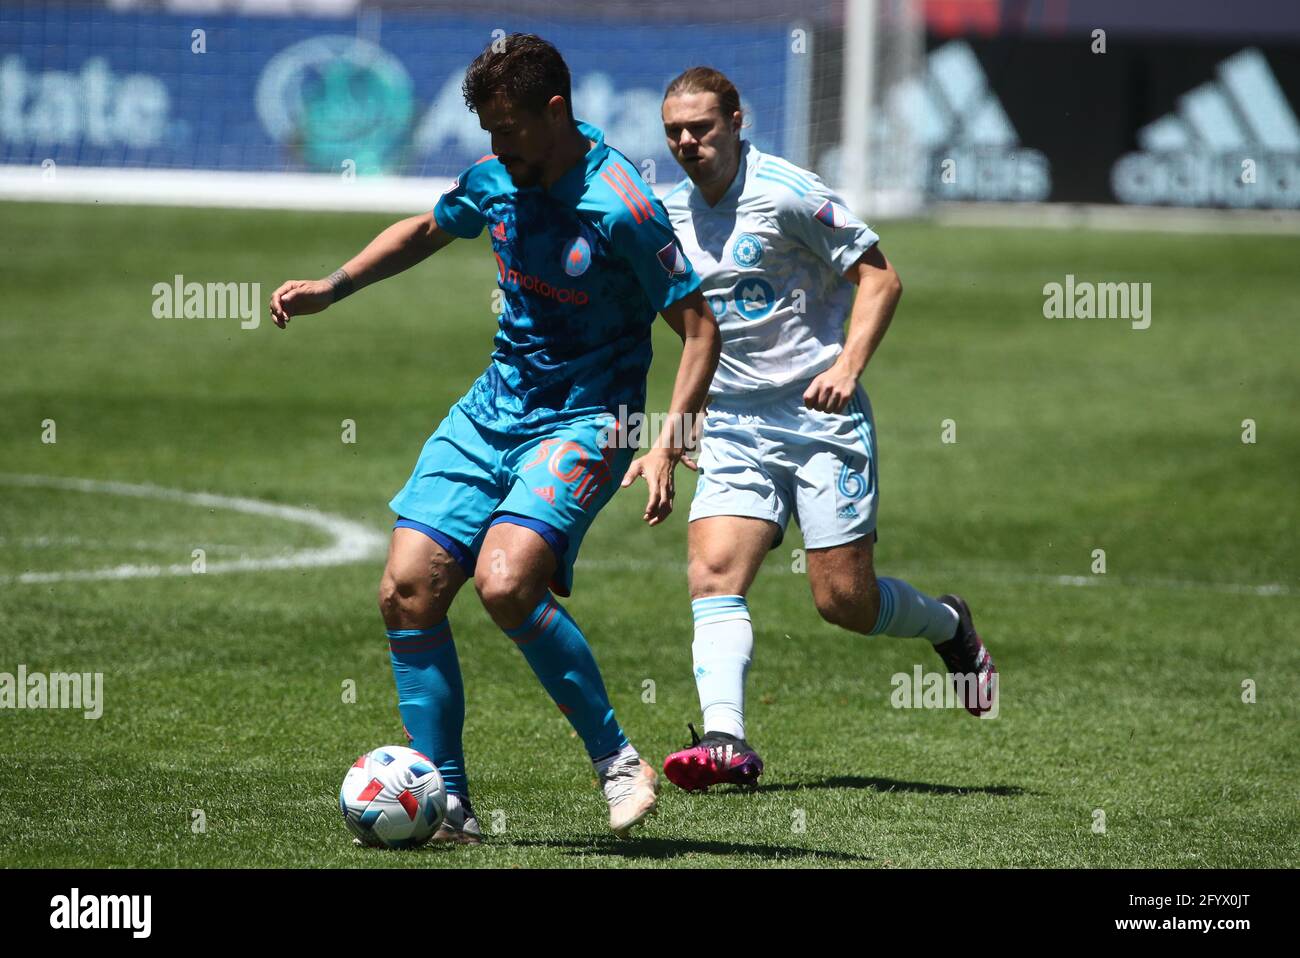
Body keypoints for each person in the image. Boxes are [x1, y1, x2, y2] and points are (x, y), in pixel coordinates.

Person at [269, 36, 720, 837]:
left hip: (589, 419)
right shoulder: (497, 180)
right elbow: (427, 228)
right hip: (491, 412)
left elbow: (698, 327)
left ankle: (618, 760)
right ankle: (446, 806)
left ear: (554, 113)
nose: (494, 147)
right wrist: (332, 289)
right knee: (406, 588)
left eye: (506, 129)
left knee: (507, 582)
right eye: (487, 131)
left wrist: (667, 442)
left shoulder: (621, 205)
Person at [656, 67, 996, 792]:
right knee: (714, 574)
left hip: (822, 417)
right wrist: (684, 417)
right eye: (675, 132)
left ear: (737, 119)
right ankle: (726, 740)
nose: (687, 142)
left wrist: (846, 366)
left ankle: (946, 624)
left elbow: (880, 278)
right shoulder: (669, 218)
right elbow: (682, 324)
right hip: (737, 424)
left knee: (843, 602)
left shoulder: (788, 193)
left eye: (701, 128)